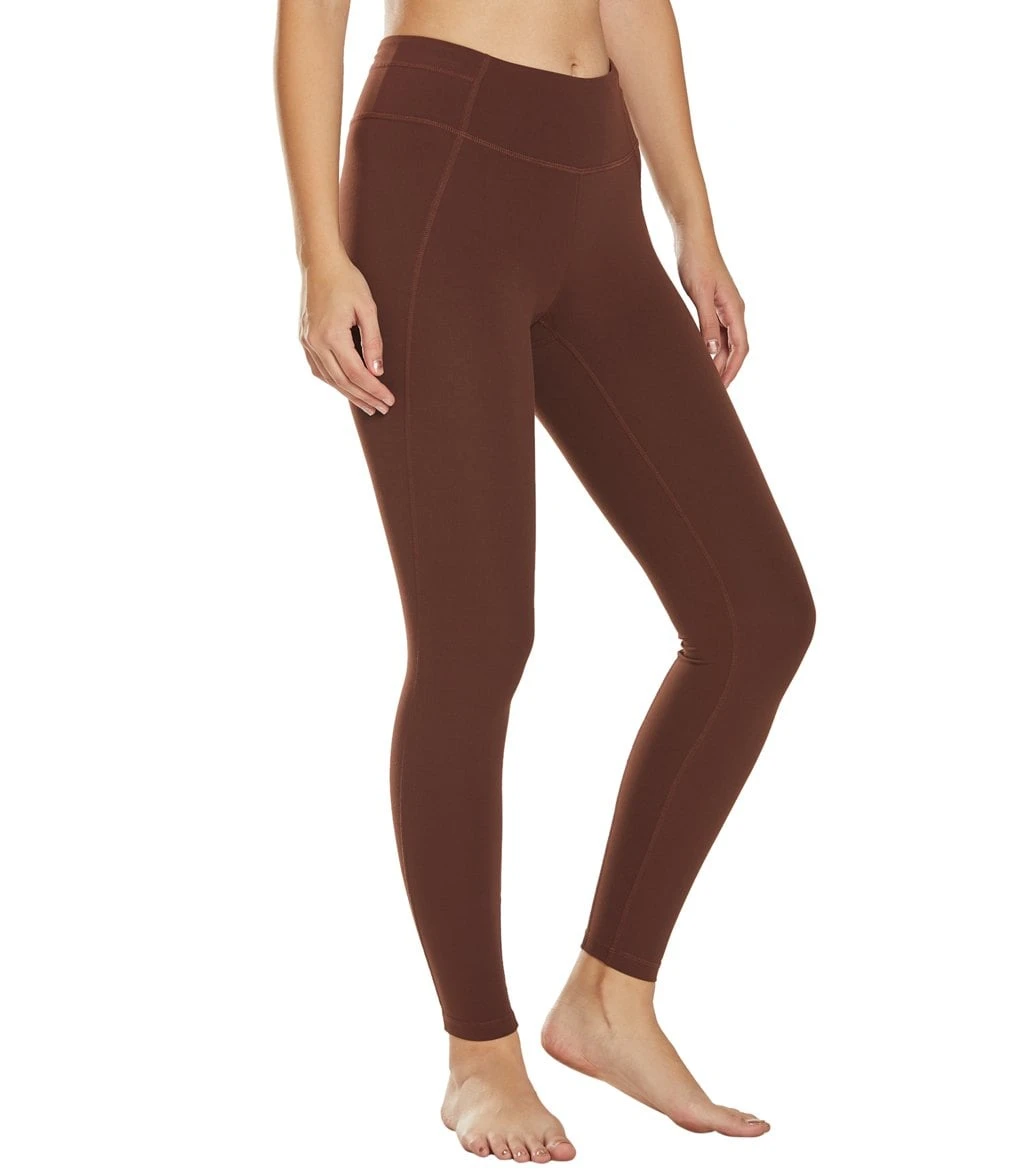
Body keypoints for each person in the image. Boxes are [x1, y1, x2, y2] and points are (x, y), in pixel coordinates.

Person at [275, 0, 816, 1161]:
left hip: (597, 184)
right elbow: (312, 11)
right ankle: (478, 1057)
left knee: (758, 615)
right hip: (442, 163)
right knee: (475, 643)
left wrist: (694, 221)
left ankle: (610, 998)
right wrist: (321, 252)